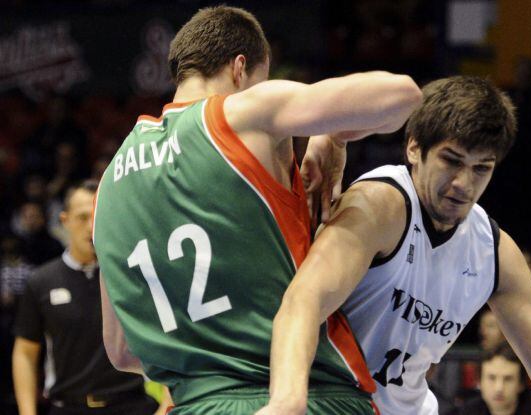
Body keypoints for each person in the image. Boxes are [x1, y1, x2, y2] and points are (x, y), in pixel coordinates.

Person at [92, 5, 422, 415]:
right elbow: (403, 96)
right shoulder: (244, 111)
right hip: (306, 396)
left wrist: (207, 358)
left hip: (195, 404)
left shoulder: (107, 185)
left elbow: (122, 351)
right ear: (240, 68)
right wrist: (331, 133)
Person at [263, 76, 531, 414]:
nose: (463, 184)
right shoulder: (380, 206)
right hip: (331, 404)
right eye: (451, 161)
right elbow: (302, 302)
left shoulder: (494, 252)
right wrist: (286, 401)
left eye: (480, 168)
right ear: (414, 148)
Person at [12, 180, 166, 415]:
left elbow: (167, 338)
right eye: (83, 217)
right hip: (68, 407)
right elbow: (25, 352)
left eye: (98, 216)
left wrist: (167, 402)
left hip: (133, 405)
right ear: (65, 221)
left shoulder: (134, 275)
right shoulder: (42, 281)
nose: (91, 226)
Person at [450, 343, 531, 415]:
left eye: (508, 379)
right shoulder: (465, 411)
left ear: (521, 384)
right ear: (479, 381)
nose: (499, 388)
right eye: (492, 378)